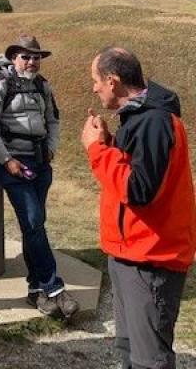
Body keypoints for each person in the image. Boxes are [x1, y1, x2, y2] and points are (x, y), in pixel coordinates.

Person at [82, 47, 196, 369]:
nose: (94, 88)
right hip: (132, 254)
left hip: (151, 259)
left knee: (150, 360)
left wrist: (96, 151)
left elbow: (138, 190)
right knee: (130, 351)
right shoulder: (139, 118)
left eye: (96, 81)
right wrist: (107, 144)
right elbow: (130, 173)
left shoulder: (154, 122)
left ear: (113, 81)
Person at [0, 34, 78, 318]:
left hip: (39, 161)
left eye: (36, 57)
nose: (32, 62)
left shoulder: (42, 86)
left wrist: (51, 149)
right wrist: (6, 160)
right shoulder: (0, 84)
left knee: (33, 226)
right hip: (11, 162)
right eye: (26, 56)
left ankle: (36, 292)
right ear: (13, 58)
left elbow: (53, 120)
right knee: (34, 221)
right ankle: (54, 288)